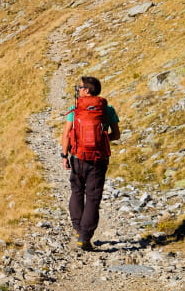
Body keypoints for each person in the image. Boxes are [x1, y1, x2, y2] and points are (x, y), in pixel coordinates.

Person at [60, 76, 120, 251]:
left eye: (80, 87)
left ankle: (78, 230)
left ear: (87, 90)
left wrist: (64, 155)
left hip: (78, 157)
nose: (78, 90)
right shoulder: (107, 110)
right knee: (93, 197)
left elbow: (66, 135)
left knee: (77, 191)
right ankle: (86, 237)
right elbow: (116, 135)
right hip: (99, 158)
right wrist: (101, 140)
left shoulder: (75, 109)